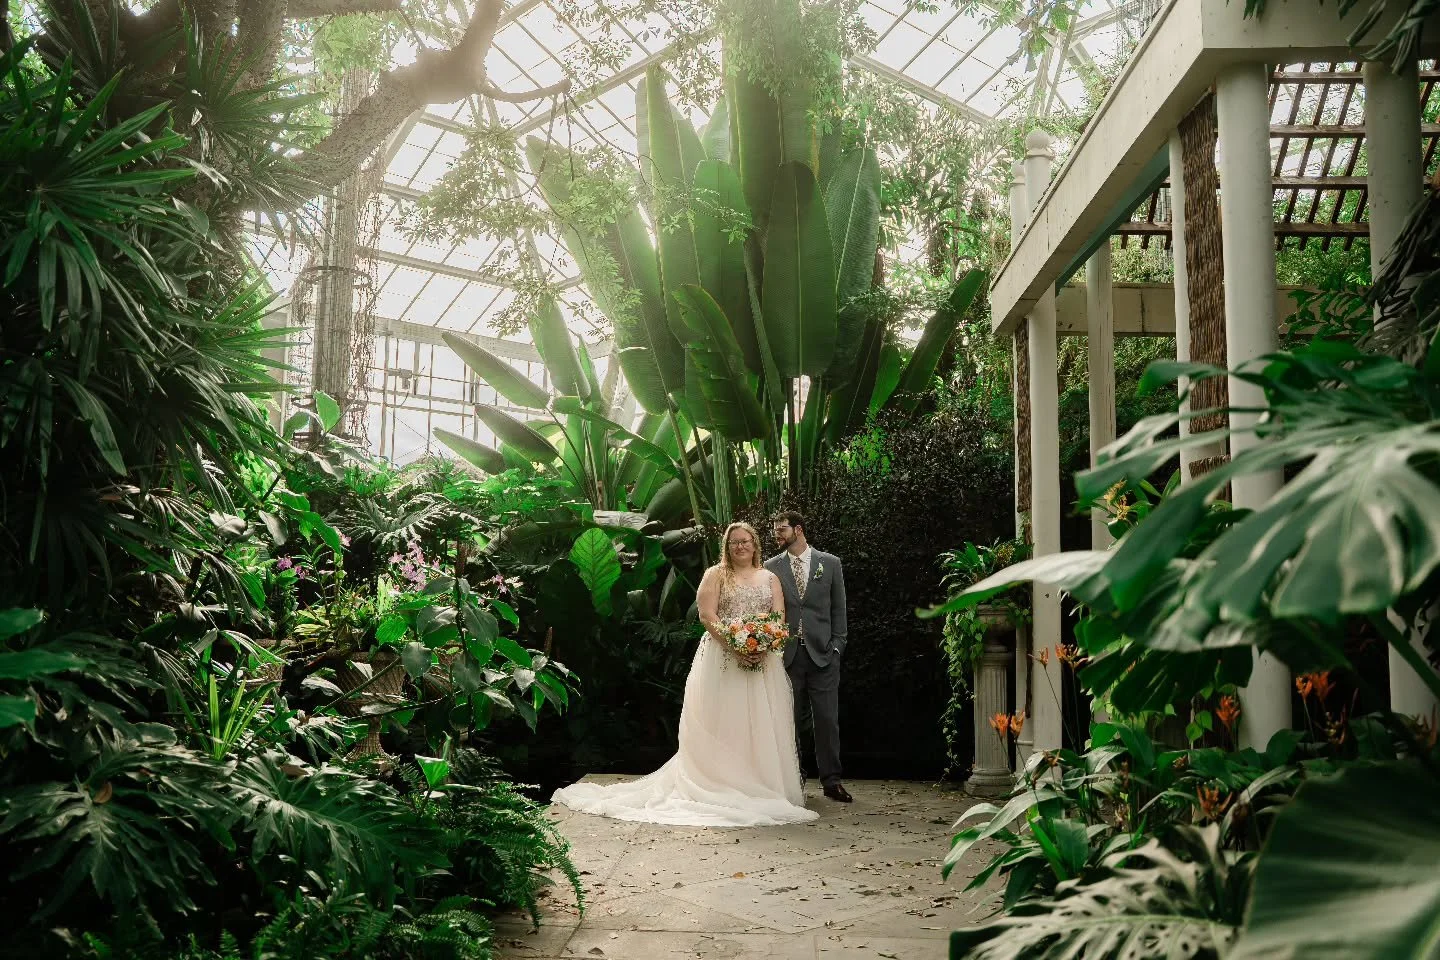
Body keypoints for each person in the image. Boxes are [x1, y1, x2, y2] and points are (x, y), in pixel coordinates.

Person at [550, 522, 817, 826]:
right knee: (725, 717)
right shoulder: (716, 574)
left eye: (745, 542)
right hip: (723, 657)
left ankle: (762, 783)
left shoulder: (770, 578)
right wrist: (734, 643)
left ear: (755, 545)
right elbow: (707, 614)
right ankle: (722, 781)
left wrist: (763, 641)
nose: (740, 547)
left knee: (759, 719)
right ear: (727, 548)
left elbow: (778, 616)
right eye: (734, 543)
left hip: (762, 659)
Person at [766, 512, 852, 803]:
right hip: (787, 655)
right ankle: (795, 780)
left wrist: (838, 646)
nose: (776, 535)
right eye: (775, 530)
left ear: (798, 529)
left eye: (781, 529)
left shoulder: (830, 564)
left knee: (827, 720)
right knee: (788, 721)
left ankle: (832, 781)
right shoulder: (771, 567)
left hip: (824, 655)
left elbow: (838, 610)